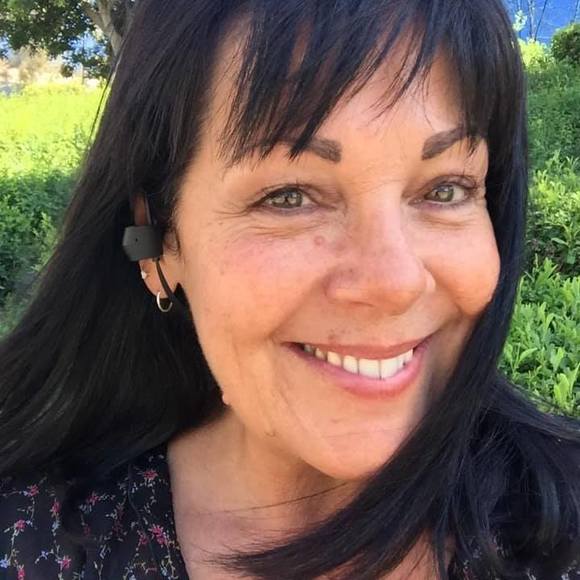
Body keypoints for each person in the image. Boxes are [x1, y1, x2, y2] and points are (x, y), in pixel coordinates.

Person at [1, 0, 579, 578]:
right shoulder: (38, 541)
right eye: (289, 197)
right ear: (159, 242)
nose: (395, 283)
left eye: (446, 189)